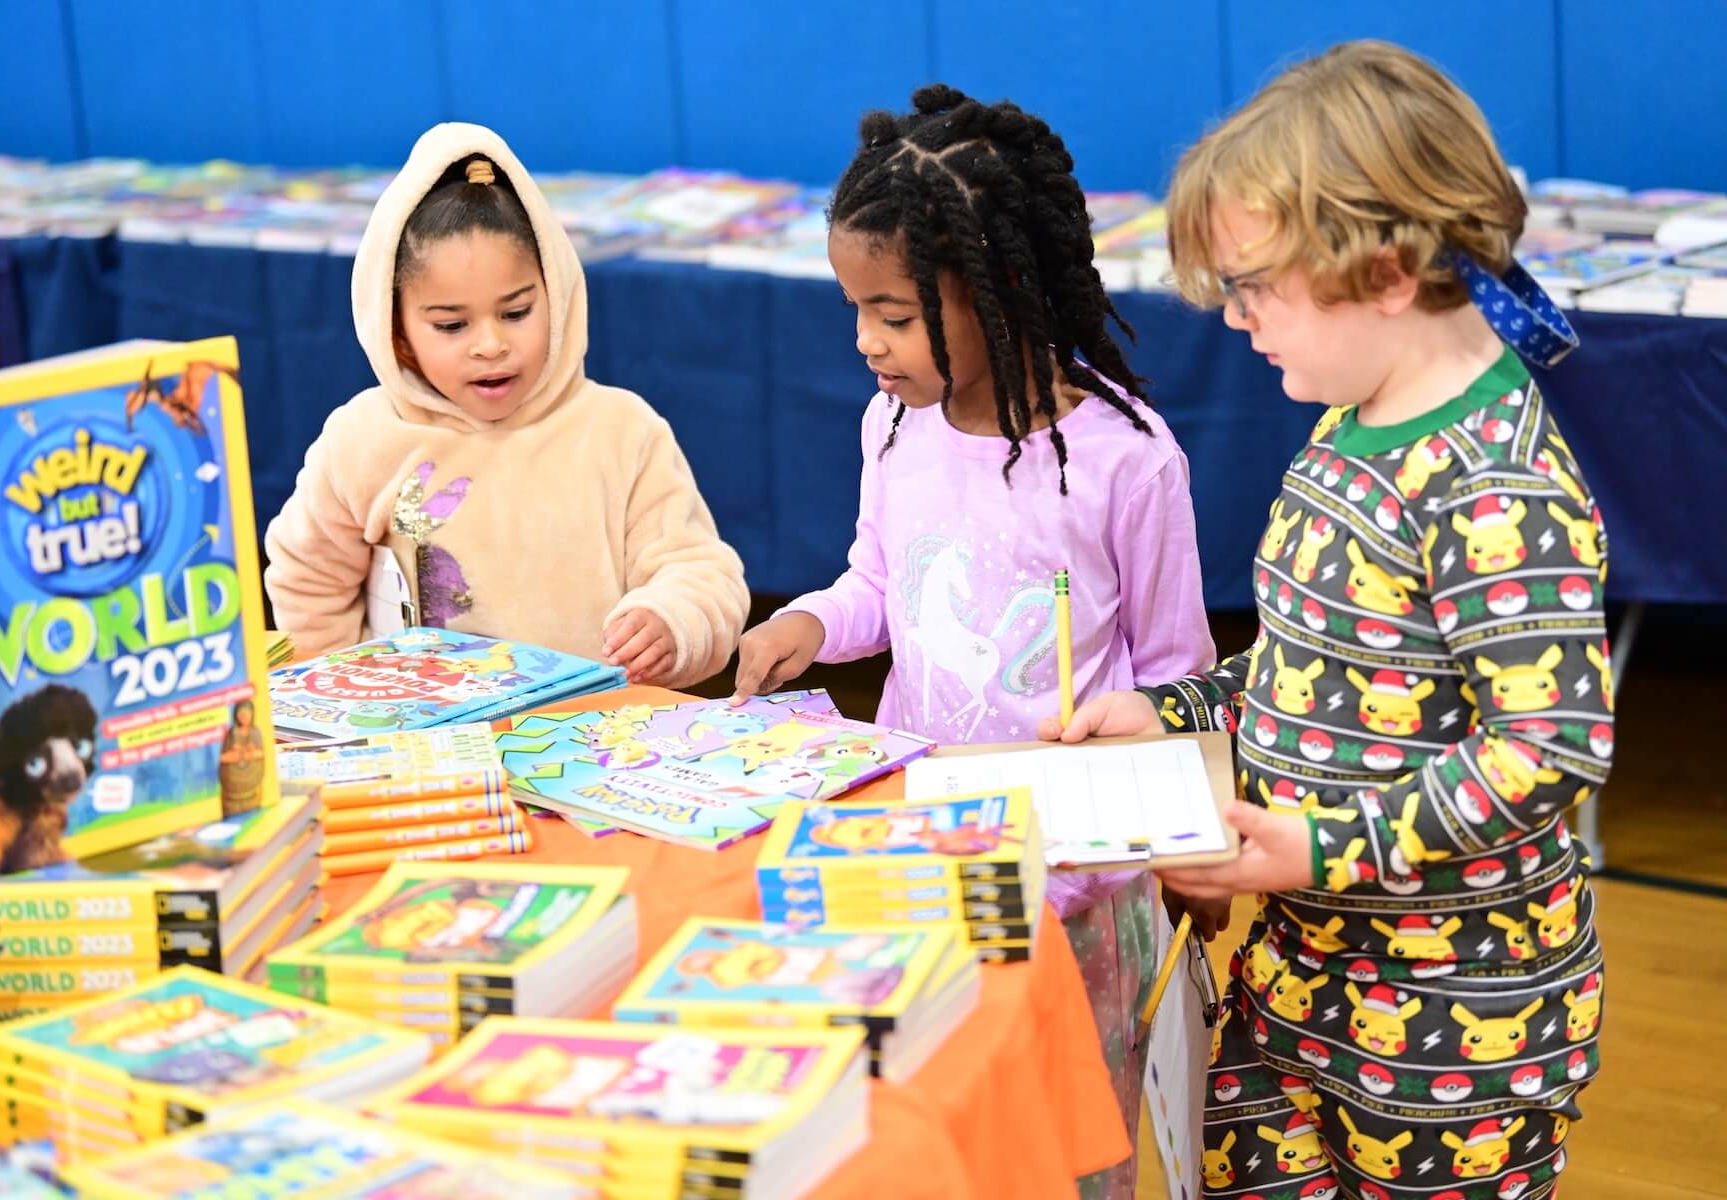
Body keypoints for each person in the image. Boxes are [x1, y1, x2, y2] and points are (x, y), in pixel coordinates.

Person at [1044, 42, 1610, 1199]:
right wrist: (1171, 712)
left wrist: (1325, 847)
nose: (1239, 321)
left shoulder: (1496, 485)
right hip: (1303, 983)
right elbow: (1319, 669)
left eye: (1255, 288)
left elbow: (1549, 746)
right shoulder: (1354, 420)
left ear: (1390, 273)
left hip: (1455, 1031)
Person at [733, 85, 1214, 1198]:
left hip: (1081, 890)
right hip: (918, 855)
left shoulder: (1127, 460)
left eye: (896, 316)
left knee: (1074, 1145)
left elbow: (1179, 681)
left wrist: (1190, 864)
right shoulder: (892, 423)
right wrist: (810, 622)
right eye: (856, 311)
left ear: (1001, 290)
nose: (867, 343)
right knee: (938, 1121)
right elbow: (878, 582)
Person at [265, 123, 748, 687]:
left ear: (557, 295)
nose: (490, 344)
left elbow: (700, 571)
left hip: (598, 749)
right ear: (397, 333)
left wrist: (673, 622)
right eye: (451, 324)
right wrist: (346, 699)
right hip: (431, 750)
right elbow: (308, 579)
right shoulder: (362, 439)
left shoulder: (622, 431)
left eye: (516, 312)